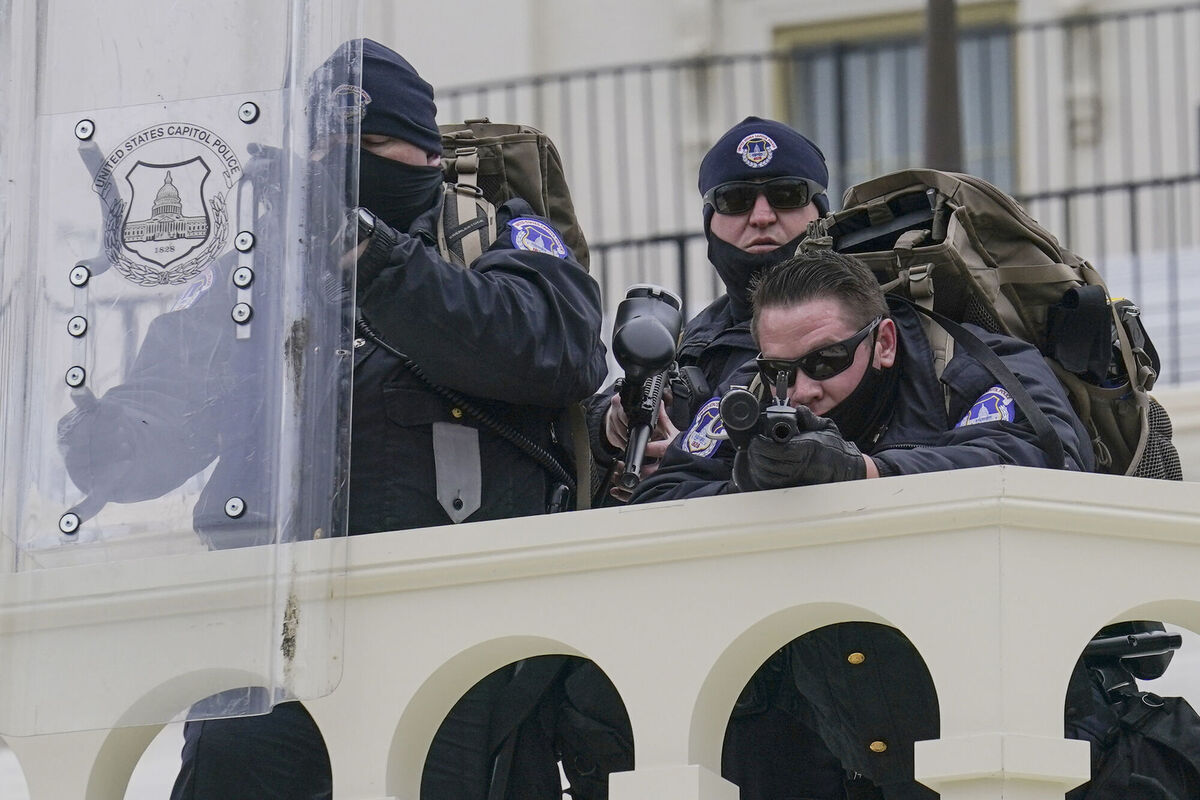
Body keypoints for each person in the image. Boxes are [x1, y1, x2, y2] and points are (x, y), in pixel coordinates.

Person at [58, 38, 612, 800]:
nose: (340, 164)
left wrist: (370, 256)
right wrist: (109, 441)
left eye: (369, 144)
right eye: (323, 146)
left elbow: (556, 346)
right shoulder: (261, 266)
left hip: (451, 625)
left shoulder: (493, 234)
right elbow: (171, 399)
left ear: (422, 151)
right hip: (276, 630)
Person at [632, 248, 1094, 799]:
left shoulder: (969, 365)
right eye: (779, 368)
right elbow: (656, 503)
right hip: (818, 719)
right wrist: (744, 488)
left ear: (884, 343)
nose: (800, 389)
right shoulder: (751, 390)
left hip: (978, 703)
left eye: (825, 361)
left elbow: (1042, 458)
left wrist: (868, 473)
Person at [585, 117, 831, 500]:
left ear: (821, 215)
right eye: (735, 200)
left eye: (786, 195)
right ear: (709, 223)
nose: (762, 216)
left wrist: (697, 458)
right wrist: (613, 423)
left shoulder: (867, 319)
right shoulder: (696, 336)